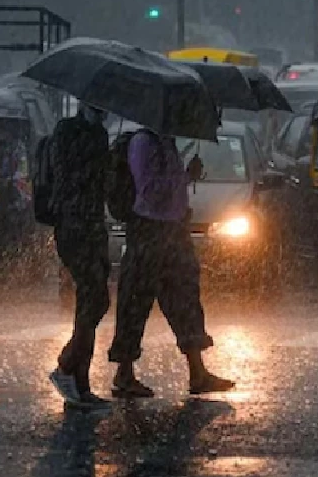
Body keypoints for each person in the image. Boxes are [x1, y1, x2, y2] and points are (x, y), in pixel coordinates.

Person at [108, 130, 235, 398]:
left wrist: (188, 175)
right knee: (135, 302)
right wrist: (180, 178)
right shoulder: (143, 143)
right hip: (149, 231)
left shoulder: (167, 143)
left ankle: (197, 372)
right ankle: (124, 372)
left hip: (174, 230)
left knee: (185, 299)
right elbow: (150, 190)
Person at [46, 103, 112, 408]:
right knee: (94, 296)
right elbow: (70, 175)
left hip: (95, 225)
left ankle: (79, 381)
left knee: (93, 301)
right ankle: (67, 366)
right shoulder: (66, 131)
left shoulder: (99, 134)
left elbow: (103, 184)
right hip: (73, 225)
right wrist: (99, 160)